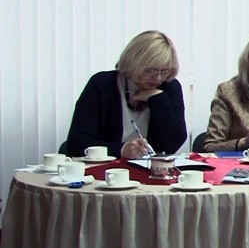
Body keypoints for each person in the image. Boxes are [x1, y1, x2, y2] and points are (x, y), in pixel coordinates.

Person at [66, 30, 187, 159]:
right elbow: (77, 142)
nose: (158, 78)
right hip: (108, 168)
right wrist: (122, 149)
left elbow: (173, 144)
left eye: (164, 71)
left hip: (151, 168)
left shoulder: (169, 88)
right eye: (151, 70)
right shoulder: (102, 85)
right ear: (134, 63)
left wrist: (158, 99)